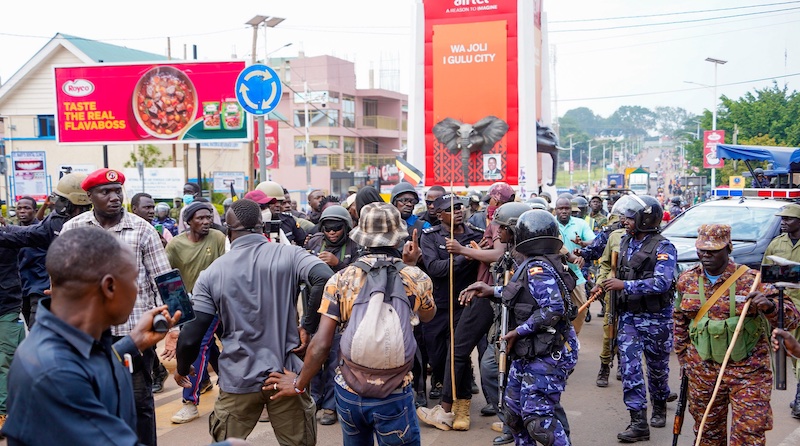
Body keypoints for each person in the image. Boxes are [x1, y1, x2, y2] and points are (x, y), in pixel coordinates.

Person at [266, 201, 435, 446]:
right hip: (395, 391)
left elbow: (321, 344)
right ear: (399, 239)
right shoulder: (415, 277)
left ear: (361, 238)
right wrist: (411, 266)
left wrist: (299, 384)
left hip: (348, 390)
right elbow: (428, 316)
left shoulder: (340, 280)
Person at [1, 227, 181, 445]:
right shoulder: (55, 373)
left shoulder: (69, 342)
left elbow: (87, 366)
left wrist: (133, 342)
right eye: (133, 280)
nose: (136, 290)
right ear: (109, 287)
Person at [175, 198, 334, 444]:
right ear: (263, 226)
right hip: (285, 376)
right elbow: (325, 278)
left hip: (238, 379)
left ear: (228, 231)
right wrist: (308, 326)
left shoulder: (212, 274)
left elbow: (192, 334)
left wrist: (183, 369)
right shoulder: (290, 254)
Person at [60, 168, 172, 446]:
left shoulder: (142, 229)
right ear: (89, 196)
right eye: (105, 192)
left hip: (134, 336)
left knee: (138, 403)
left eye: (117, 191)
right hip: (87, 336)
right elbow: (61, 281)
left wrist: (173, 327)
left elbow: (164, 280)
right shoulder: (73, 229)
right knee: (92, 402)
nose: (113, 197)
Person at [459, 209, 579, 446]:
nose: (498, 231)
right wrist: (490, 290)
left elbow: (553, 309)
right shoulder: (531, 264)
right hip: (529, 350)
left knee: (539, 422)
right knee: (514, 415)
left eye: (502, 228)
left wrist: (519, 331)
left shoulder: (538, 268)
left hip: (547, 352)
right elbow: (522, 295)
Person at [675, 224, 800, 446]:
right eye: (702, 250)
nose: (706, 255)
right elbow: (679, 321)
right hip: (703, 370)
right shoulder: (687, 280)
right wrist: (684, 358)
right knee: (707, 434)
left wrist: (770, 306)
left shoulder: (752, 279)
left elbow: (792, 318)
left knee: (749, 433)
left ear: (728, 248)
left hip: (748, 371)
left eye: (713, 250)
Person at [601, 195, 676, 442]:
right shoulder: (623, 242)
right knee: (629, 367)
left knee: (657, 370)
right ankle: (638, 422)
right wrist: (604, 286)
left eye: (630, 217)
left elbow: (662, 283)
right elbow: (618, 274)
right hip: (630, 317)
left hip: (656, 319)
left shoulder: (663, 247)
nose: (625, 221)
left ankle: (660, 405)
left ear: (645, 219)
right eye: (624, 216)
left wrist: (625, 285)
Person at [417, 193, 483, 430]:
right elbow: (435, 268)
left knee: (459, 354)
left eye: (460, 207)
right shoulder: (431, 237)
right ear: (439, 214)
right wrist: (465, 255)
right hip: (438, 306)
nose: (458, 211)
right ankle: (448, 399)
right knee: (437, 356)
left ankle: (462, 405)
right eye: (451, 208)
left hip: (465, 304)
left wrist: (466, 251)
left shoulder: (476, 234)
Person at [165, 201, 226, 424]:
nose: (206, 221)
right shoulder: (175, 246)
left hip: (219, 303)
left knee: (212, 346)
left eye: (208, 217)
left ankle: (197, 397)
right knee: (201, 348)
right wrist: (173, 322)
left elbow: (225, 269)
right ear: (188, 221)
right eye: (200, 218)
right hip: (191, 307)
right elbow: (168, 281)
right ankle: (190, 402)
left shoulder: (218, 238)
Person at [304, 205, 360, 426]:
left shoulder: (355, 245)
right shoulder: (314, 242)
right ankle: (313, 399)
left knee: (336, 359)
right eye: (327, 228)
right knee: (313, 355)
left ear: (345, 227)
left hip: (342, 312)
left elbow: (360, 275)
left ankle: (330, 405)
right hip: (315, 307)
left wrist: (339, 264)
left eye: (337, 228)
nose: (332, 232)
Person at [761, 202, 800, 417]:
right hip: (785, 307)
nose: (783, 223)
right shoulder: (776, 244)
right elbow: (766, 274)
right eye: (782, 219)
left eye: (788, 219)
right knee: (790, 353)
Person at [554, 197, 595, 335]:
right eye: (561, 208)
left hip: (576, 274)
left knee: (581, 308)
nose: (564, 211)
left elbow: (595, 242)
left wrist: (582, 243)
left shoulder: (580, 224)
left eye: (567, 208)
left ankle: (573, 336)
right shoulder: (550, 223)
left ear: (571, 210)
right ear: (556, 210)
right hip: (555, 274)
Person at [10, 196, 49, 329]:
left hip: (40, 286)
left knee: (35, 328)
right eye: (19, 208)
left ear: (34, 210)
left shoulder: (43, 231)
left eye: (26, 208)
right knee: (29, 325)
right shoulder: (11, 233)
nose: (22, 211)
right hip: (21, 287)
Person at [0, 241, 23, 436]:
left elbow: (38, 235)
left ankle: (3, 414)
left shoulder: (8, 237)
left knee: (4, 360)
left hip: (6, 308)